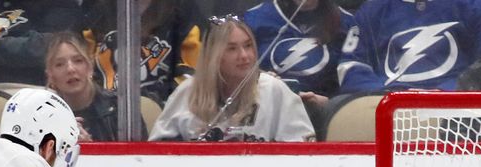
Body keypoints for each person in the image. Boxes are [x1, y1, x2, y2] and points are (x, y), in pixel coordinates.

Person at [149, 15, 315, 142]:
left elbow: (303, 154)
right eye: (232, 49)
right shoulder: (187, 91)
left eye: (248, 45)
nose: (244, 56)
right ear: (213, 55)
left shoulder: (274, 90)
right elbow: (158, 156)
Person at [243, 0, 354, 139]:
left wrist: (330, 102)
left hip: (326, 116)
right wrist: (261, 79)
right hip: (268, 112)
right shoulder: (254, 19)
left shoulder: (348, 23)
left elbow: (356, 80)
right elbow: (236, 69)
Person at [337, 0, 481, 93]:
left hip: (457, 104)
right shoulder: (372, 9)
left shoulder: (475, 5)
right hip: (385, 105)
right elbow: (351, 66)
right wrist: (384, 94)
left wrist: (450, 90)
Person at [83, 0, 206, 104]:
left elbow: (193, 77)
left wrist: (153, 102)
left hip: (163, 116)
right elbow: (81, 68)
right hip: (105, 116)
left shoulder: (184, 14)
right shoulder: (99, 13)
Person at [45, 31, 147, 142]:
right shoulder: (42, 115)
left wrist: (91, 149)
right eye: (60, 64)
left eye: (78, 61)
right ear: (50, 74)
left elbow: (139, 158)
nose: (70, 69)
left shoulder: (120, 109)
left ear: (90, 67)